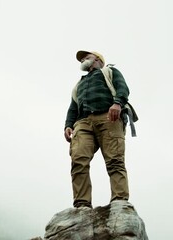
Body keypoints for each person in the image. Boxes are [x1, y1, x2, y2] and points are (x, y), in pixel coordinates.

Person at [64, 50, 130, 209]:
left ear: (98, 59)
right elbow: (73, 107)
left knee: (115, 160)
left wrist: (117, 103)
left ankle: (119, 201)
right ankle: (82, 205)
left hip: (109, 116)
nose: (83, 59)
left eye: (87, 57)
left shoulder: (109, 71)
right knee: (78, 160)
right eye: (82, 58)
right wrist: (68, 124)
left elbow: (123, 88)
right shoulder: (79, 84)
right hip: (83, 122)